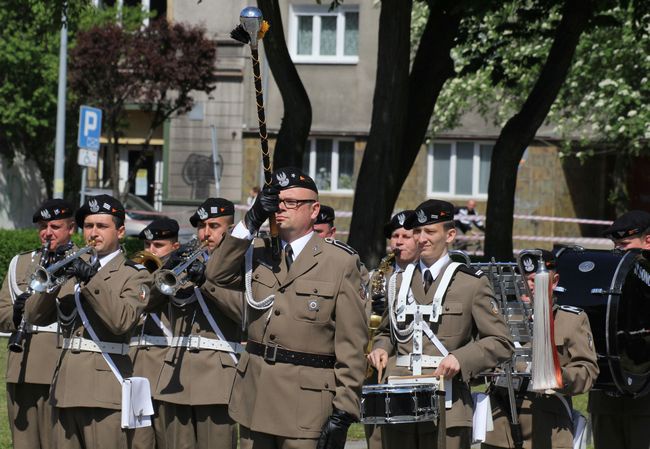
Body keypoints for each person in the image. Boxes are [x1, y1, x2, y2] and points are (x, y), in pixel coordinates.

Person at [204, 167, 368, 449]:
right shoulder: (255, 250)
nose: (281, 208)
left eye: (291, 203)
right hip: (255, 398)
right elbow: (214, 275)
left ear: (314, 210)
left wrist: (344, 410)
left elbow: (351, 344)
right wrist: (251, 220)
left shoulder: (339, 262)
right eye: (277, 202)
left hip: (306, 406)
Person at [367, 199, 513, 449]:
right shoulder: (397, 281)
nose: (422, 238)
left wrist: (462, 358)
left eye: (430, 231)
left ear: (450, 235)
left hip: (448, 403)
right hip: (398, 402)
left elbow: (501, 342)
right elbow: (387, 333)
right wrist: (380, 348)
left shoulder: (471, 283)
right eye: (417, 232)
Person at [24, 194, 152, 449]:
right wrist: (51, 281)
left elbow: (121, 321)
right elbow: (33, 317)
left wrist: (92, 280)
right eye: (89, 226)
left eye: (102, 226)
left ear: (121, 231)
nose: (93, 233)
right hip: (64, 388)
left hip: (105, 391)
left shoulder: (134, 274)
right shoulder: (73, 266)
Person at [482, 249, 599, 449]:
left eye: (536, 281)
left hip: (547, 426)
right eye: (524, 280)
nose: (528, 287)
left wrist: (559, 376)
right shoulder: (501, 318)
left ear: (554, 281)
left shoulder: (571, 320)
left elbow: (587, 370)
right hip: (500, 425)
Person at [153, 199, 242, 449]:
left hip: (217, 377)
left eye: (214, 225)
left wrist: (207, 281)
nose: (205, 233)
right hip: (175, 372)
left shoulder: (242, 263)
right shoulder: (187, 261)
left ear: (231, 229)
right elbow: (145, 303)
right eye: (201, 226)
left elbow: (246, 313)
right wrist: (167, 268)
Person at [0, 199, 75, 449]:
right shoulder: (19, 263)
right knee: (24, 442)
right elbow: (1, 313)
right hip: (22, 366)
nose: (47, 232)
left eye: (55, 226)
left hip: (61, 363)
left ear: (71, 228)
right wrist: (19, 314)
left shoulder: (83, 264)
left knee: (58, 442)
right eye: (43, 226)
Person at [588, 210, 650, 449]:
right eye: (615, 244)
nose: (618, 251)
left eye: (624, 244)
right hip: (607, 396)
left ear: (647, 240)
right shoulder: (607, 276)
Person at [364, 210, 419, 449]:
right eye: (395, 236)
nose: (397, 241)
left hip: (409, 369)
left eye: (405, 236)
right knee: (377, 438)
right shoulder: (379, 275)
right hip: (377, 366)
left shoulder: (425, 276)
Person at [130, 217, 181, 449]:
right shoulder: (136, 274)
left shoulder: (180, 274)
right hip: (135, 367)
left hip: (165, 365)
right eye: (148, 246)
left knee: (168, 439)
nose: (151, 251)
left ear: (175, 247)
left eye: (158, 246)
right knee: (138, 441)